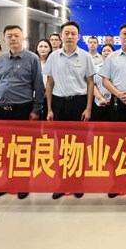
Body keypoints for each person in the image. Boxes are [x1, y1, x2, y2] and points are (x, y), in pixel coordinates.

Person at [0, 25, 45, 200]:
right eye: (9, 36)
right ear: (4, 39)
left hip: (23, 109)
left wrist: (36, 110)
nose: (13, 39)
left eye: (16, 35)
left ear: (23, 38)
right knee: (4, 148)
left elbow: (39, 87)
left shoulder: (32, 59)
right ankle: (7, 181)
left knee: (23, 148)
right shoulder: (0, 60)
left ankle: (22, 182)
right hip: (1, 110)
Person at [44, 21, 95, 200]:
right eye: (66, 33)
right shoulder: (53, 57)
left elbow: (90, 83)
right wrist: (49, 108)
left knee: (79, 144)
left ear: (79, 36)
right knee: (61, 145)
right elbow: (49, 83)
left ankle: (78, 182)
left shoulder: (85, 56)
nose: (70, 36)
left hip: (79, 102)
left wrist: (88, 108)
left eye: (73, 33)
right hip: (59, 103)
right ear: (61, 36)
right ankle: (63, 182)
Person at [92, 44, 115, 122]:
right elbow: (92, 84)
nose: (106, 52)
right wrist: (100, 98)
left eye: (109, 51)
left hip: (115, 103)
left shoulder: (119, 68)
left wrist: (112, 99)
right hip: (99, 102)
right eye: (104, 51)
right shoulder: (95, 68)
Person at [35, 38, 53, 119]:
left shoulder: (53, 62)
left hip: (50, 96)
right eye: (41, 46)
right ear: (37, 48)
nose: (43, 49)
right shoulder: (32, 61)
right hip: (35, 97)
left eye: (46, 47)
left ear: (50, 49)